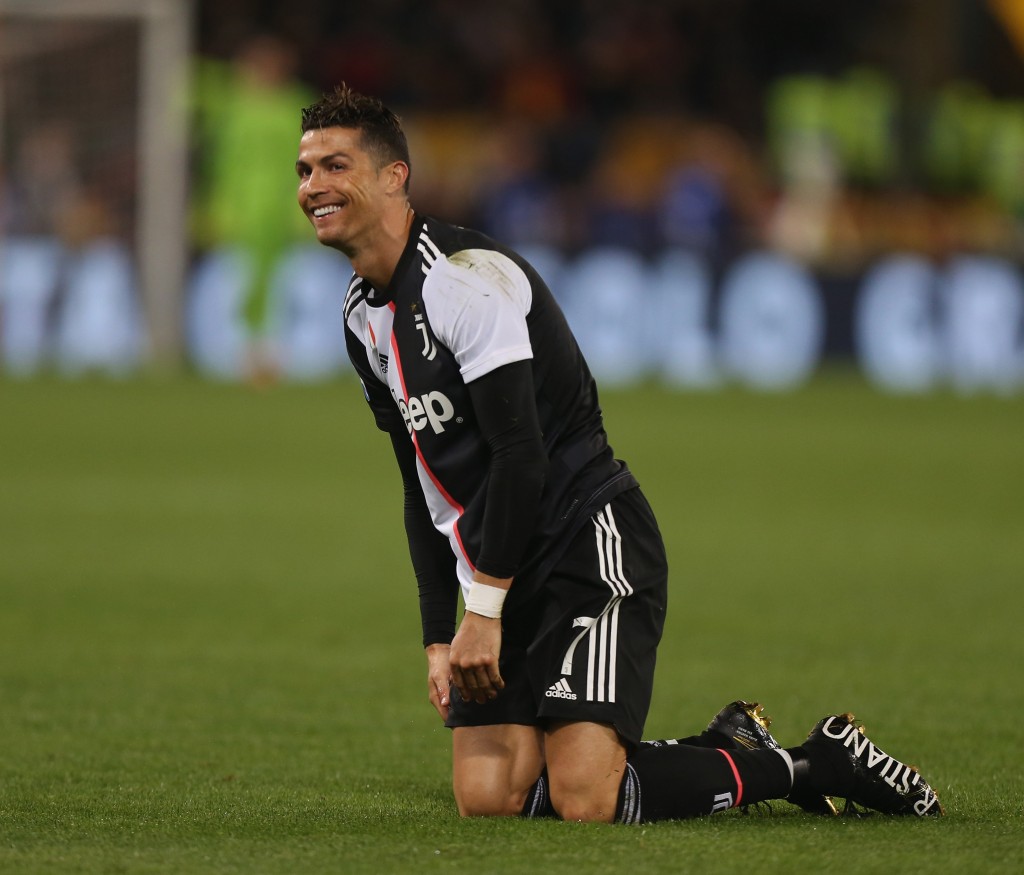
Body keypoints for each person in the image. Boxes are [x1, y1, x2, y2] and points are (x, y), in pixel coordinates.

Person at [295, 84, 943, 823]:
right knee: (487, 798)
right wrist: (438, 634)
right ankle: (723, 744)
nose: (312, 187)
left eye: (333, 166)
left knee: (584, 797)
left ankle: (808, 762)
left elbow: (521, 456)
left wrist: (484, 610)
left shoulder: (465, 281)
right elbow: (422, 485)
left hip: (586, 546)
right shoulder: (360, 316)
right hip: (499, 571)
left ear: (393, 176)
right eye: (305, 171)